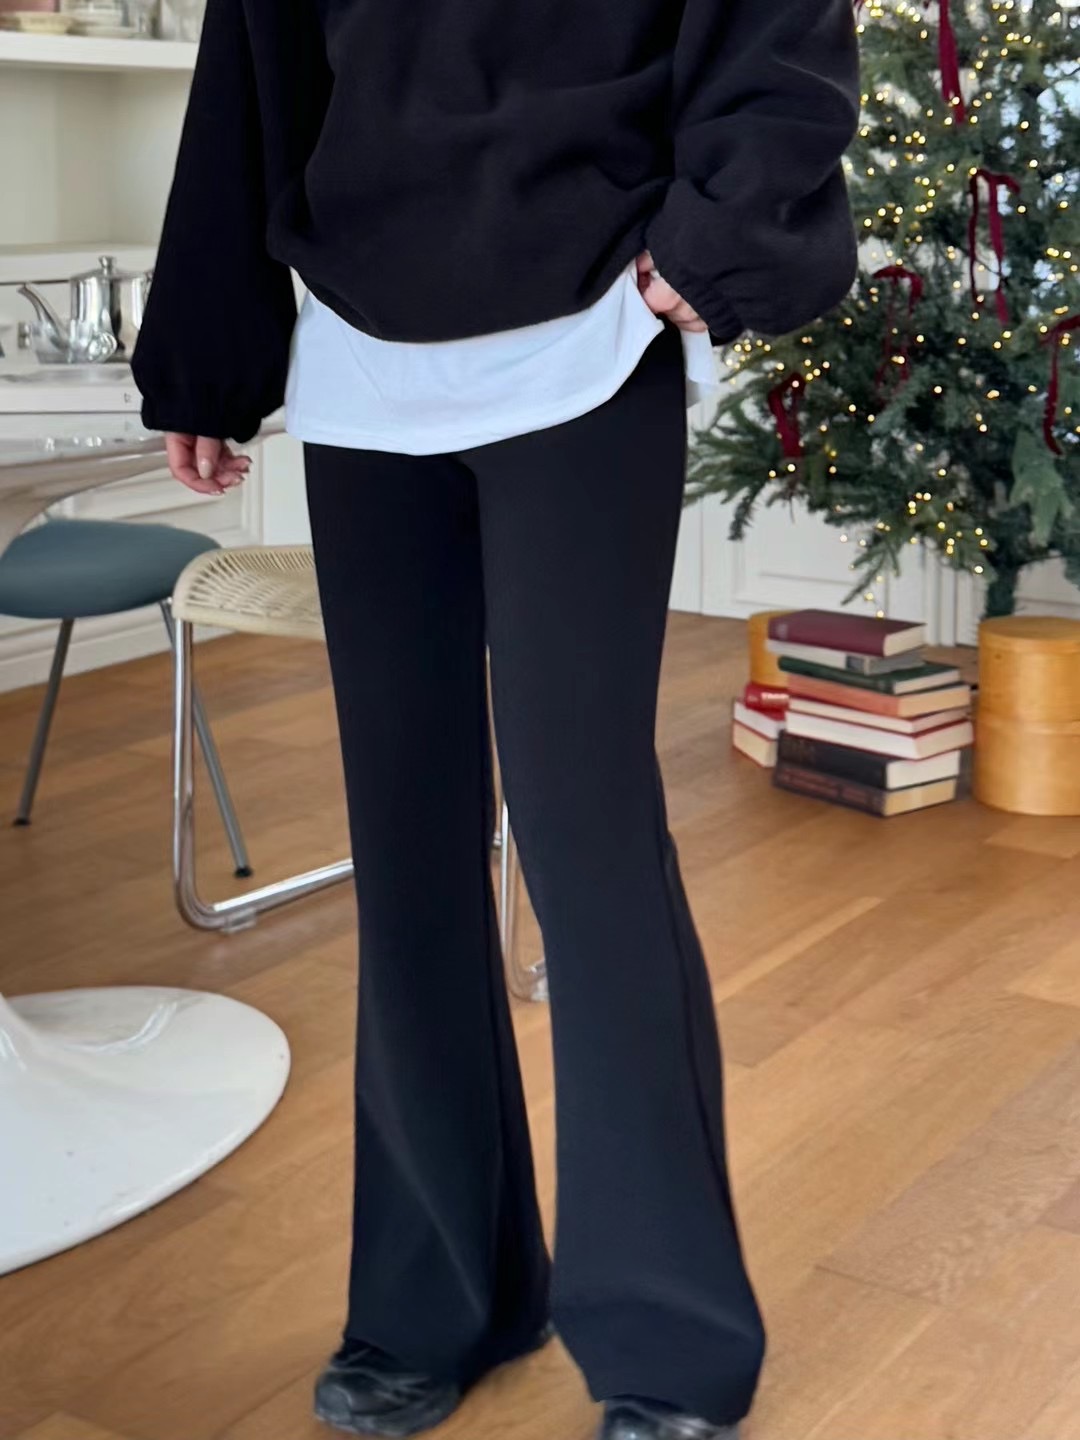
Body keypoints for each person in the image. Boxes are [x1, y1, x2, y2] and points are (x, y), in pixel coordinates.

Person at [132, 0, 860, 1433]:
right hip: (362, 345)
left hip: (591, 326)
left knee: (589, 841)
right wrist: (209, 343)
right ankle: (435, 1300)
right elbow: (251, 61)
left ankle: (666, 1341)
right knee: (406, 844)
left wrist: (709, 241)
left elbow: (778, 22)